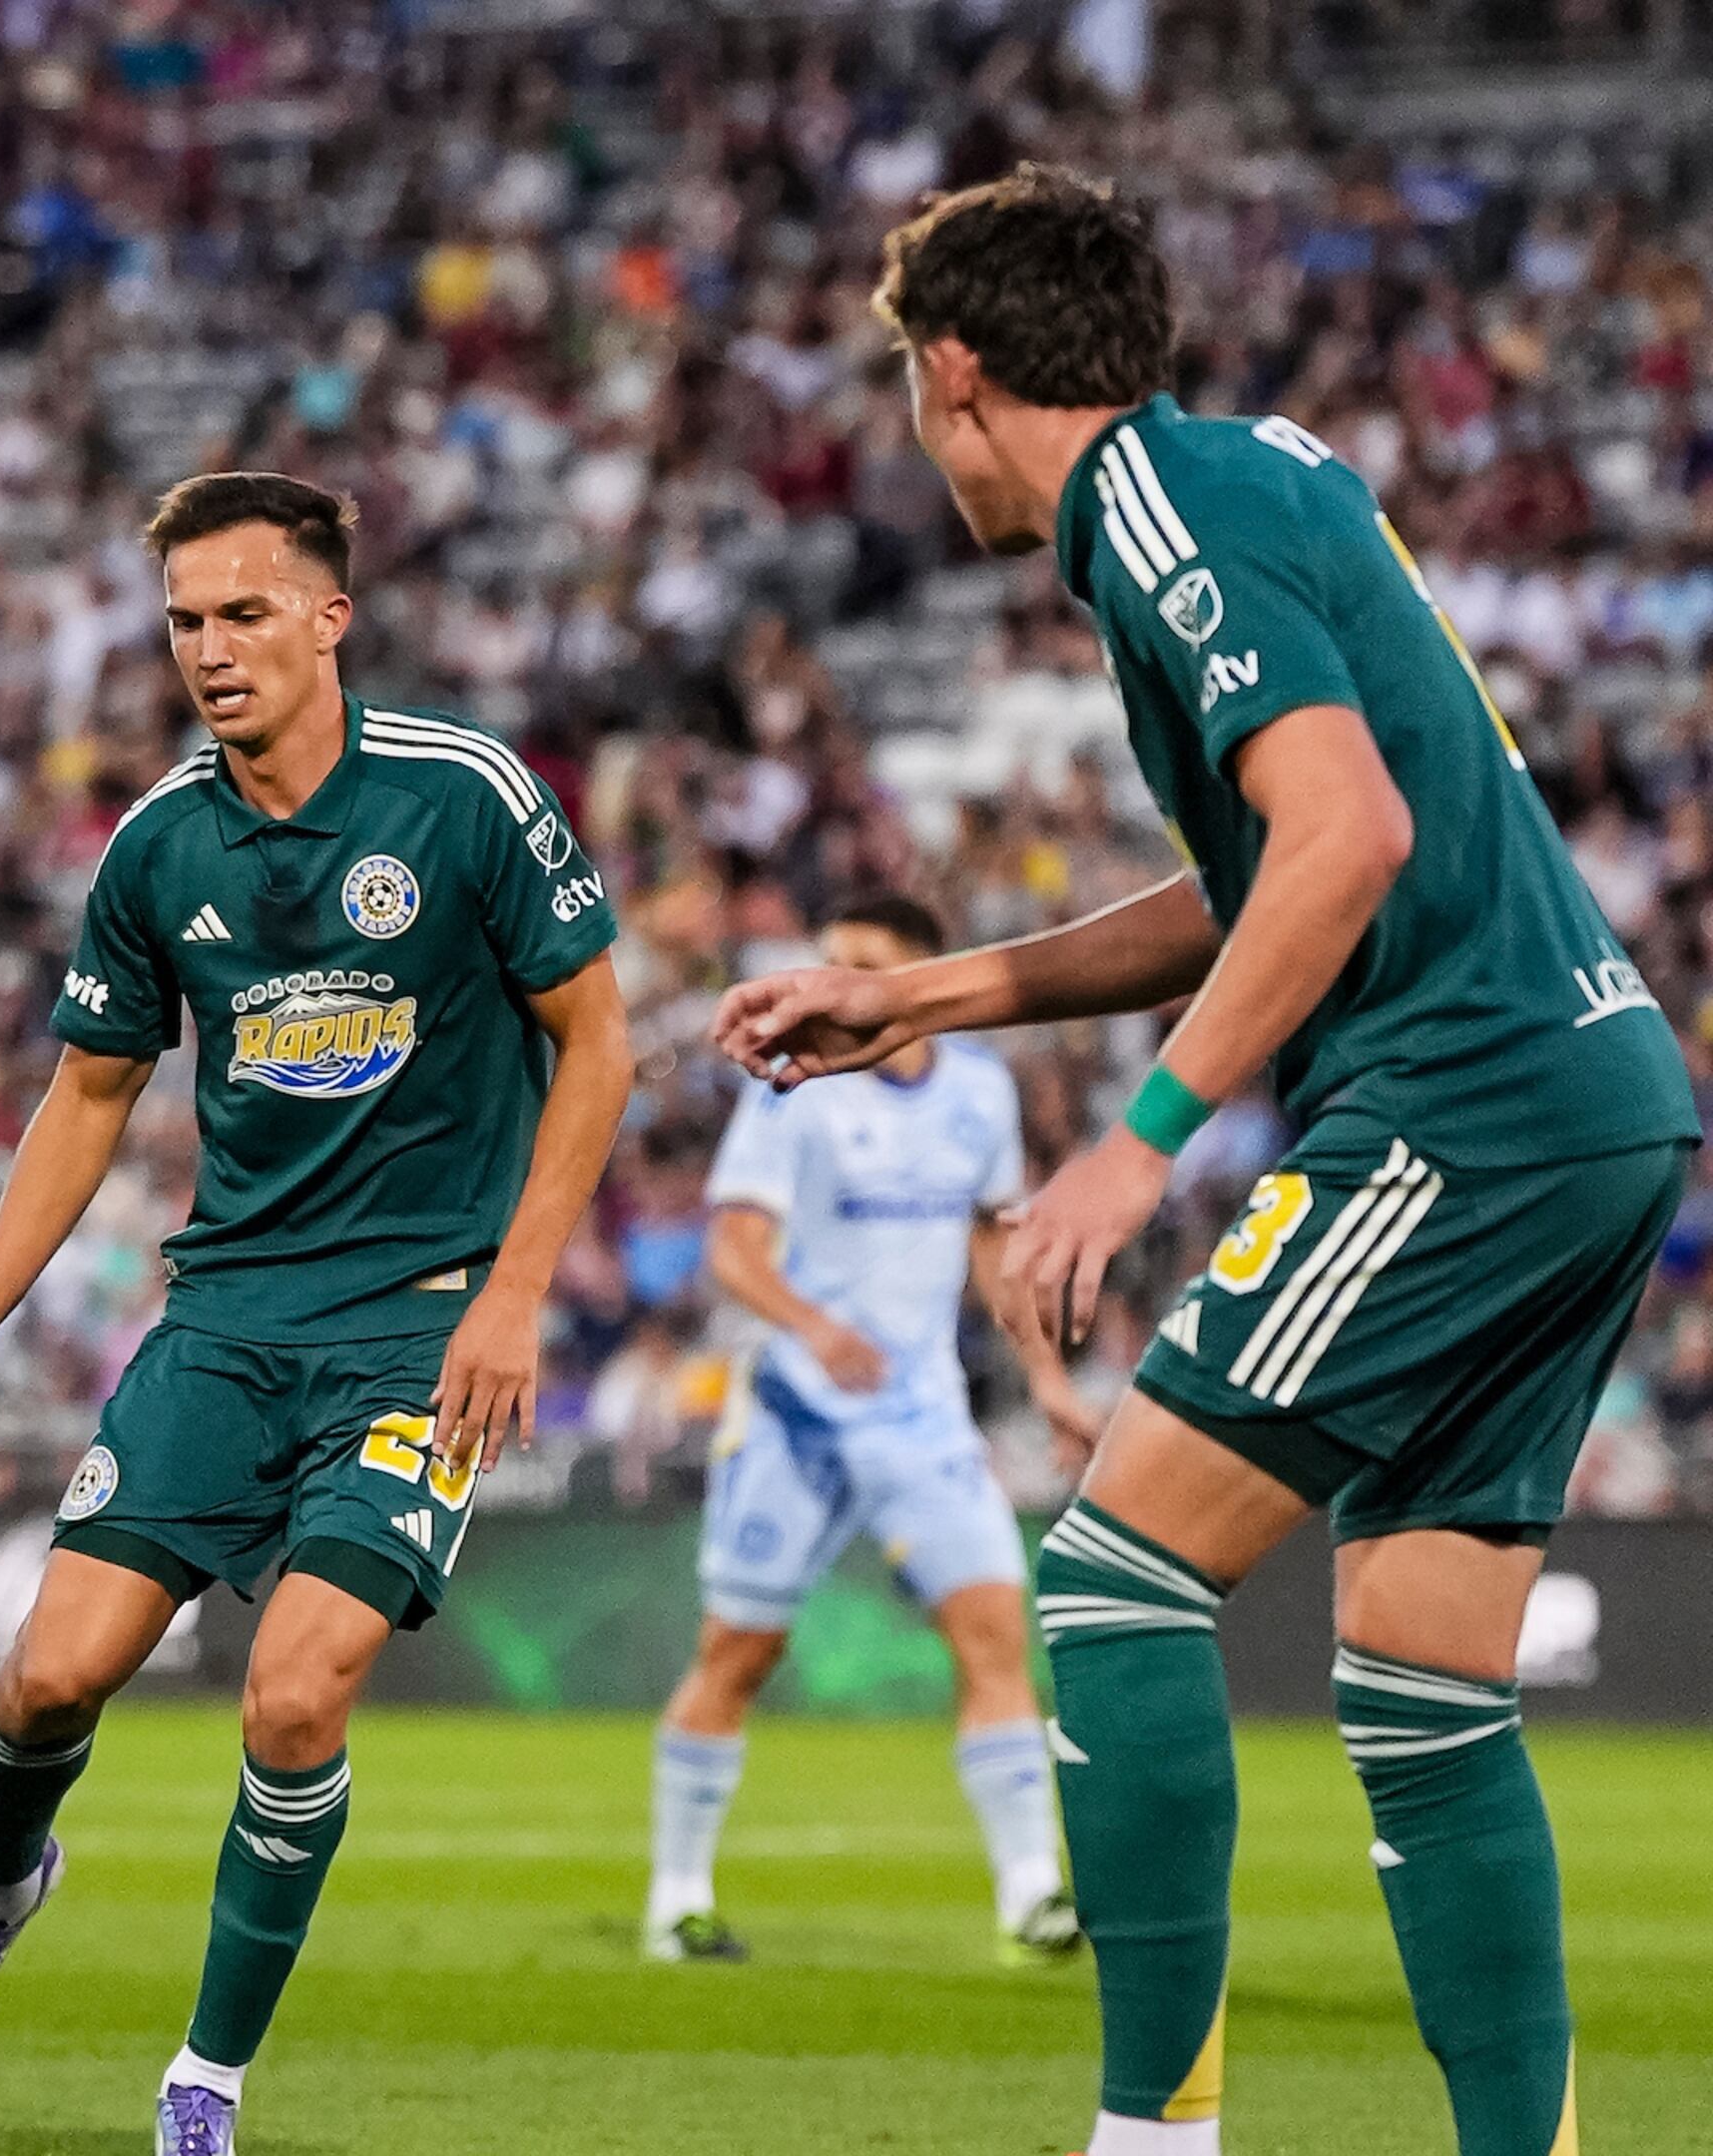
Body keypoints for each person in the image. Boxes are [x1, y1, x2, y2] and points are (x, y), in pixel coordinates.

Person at [716, 167, 1695, 2156]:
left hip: (1466, 1099)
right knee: (1425, 1703)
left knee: (1115, 1580)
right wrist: (936, 998)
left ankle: (1152, 2136)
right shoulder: (1247, 477)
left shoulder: (1163, 518)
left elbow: (1343, 847)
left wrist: (1133, 1152)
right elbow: (1270, 868)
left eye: (912, 388)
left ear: (956, 371)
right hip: (1594, 1099)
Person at [0, 472, 634, 2156]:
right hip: (223, 1324)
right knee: (48, 1679)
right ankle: (3, 1885)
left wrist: (514, 1295)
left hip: (418, 1330)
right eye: (184, 623)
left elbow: (600, 1040)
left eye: (242, 614)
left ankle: (204, 2084)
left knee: (296, 1698)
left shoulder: (463, 797)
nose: (209, 651)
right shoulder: (158, 847)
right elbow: (86, 1096)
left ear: (327, 619)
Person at [645, 892, 1094, 1965]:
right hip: (796, 1409)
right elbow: (735, 1250)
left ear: (923, 978)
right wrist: (817, 1328)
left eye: (862, 962)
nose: (832, 980)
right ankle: (677, 1898)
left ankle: (1032, 1894)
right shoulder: (789, 1093)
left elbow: (993, 1247)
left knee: (992, 1640)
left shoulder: (981, 1094)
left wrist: (1046, 1381)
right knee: (737, 1653)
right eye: (828, 957)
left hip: (923, 1411)